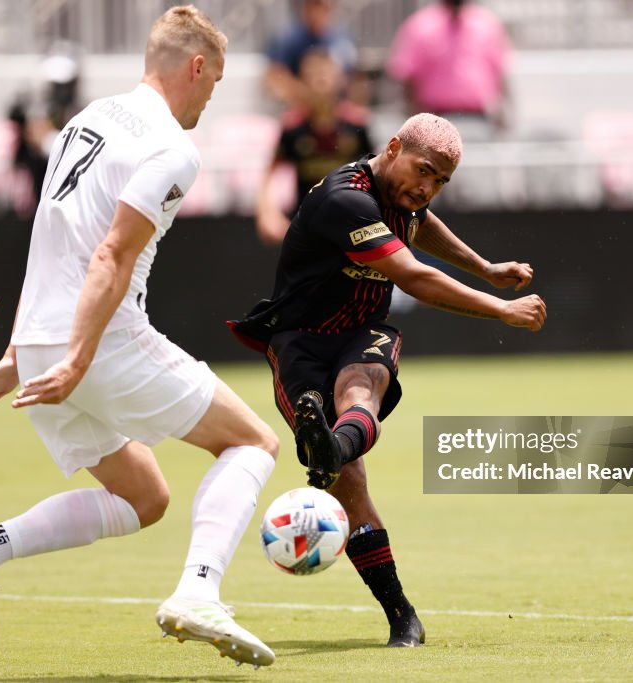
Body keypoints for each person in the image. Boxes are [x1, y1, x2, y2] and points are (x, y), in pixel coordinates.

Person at [0, 6, 279, 667]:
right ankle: (199, 591)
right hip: (96, 342)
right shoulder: (173, 147)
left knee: (145, 495)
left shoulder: (84, 120)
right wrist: (79, 357)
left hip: (42, 342)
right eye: (215, 80)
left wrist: (21, 352)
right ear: (195, 67)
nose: (212, 96)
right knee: (254, 440)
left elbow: (50, 236)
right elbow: (111, 255)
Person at [230, 113, 546, 647]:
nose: (427, 189)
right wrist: (500, 308)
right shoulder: (344, 200)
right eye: (424, 172)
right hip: (299, 342)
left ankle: (330, 447)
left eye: (440, 182)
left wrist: (485, 267)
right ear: (393, 147)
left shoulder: (404, 196)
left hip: (362, 331)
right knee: (350, 483)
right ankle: (402, 611)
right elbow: (415, 275)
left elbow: (424, 225)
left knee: (361, 384)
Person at [257, 49, 372, 245]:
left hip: (352, 228)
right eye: (313, 75)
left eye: (325, 73)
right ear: (302, 82)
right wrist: (268, 213)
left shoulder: (356, 125)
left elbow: (376, 173)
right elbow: (269, 174)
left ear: (340, 80)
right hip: (306, 230)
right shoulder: (293, 128)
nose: (321, 80)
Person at [386, 0, 513, 138]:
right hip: (434, 122)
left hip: (478, 120)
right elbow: (407, 78)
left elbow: (500, 72)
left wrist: (504, 112)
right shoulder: (420, 25)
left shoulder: (486, 24)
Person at [263, 0, 357, 108]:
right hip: (298, 107)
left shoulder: (342, 38)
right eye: (315, 6)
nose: (319, 12)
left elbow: (352, 78)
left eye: (325, 7)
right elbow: (275, 79)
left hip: (335, 110)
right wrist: (310, 96)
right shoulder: (287, 38)